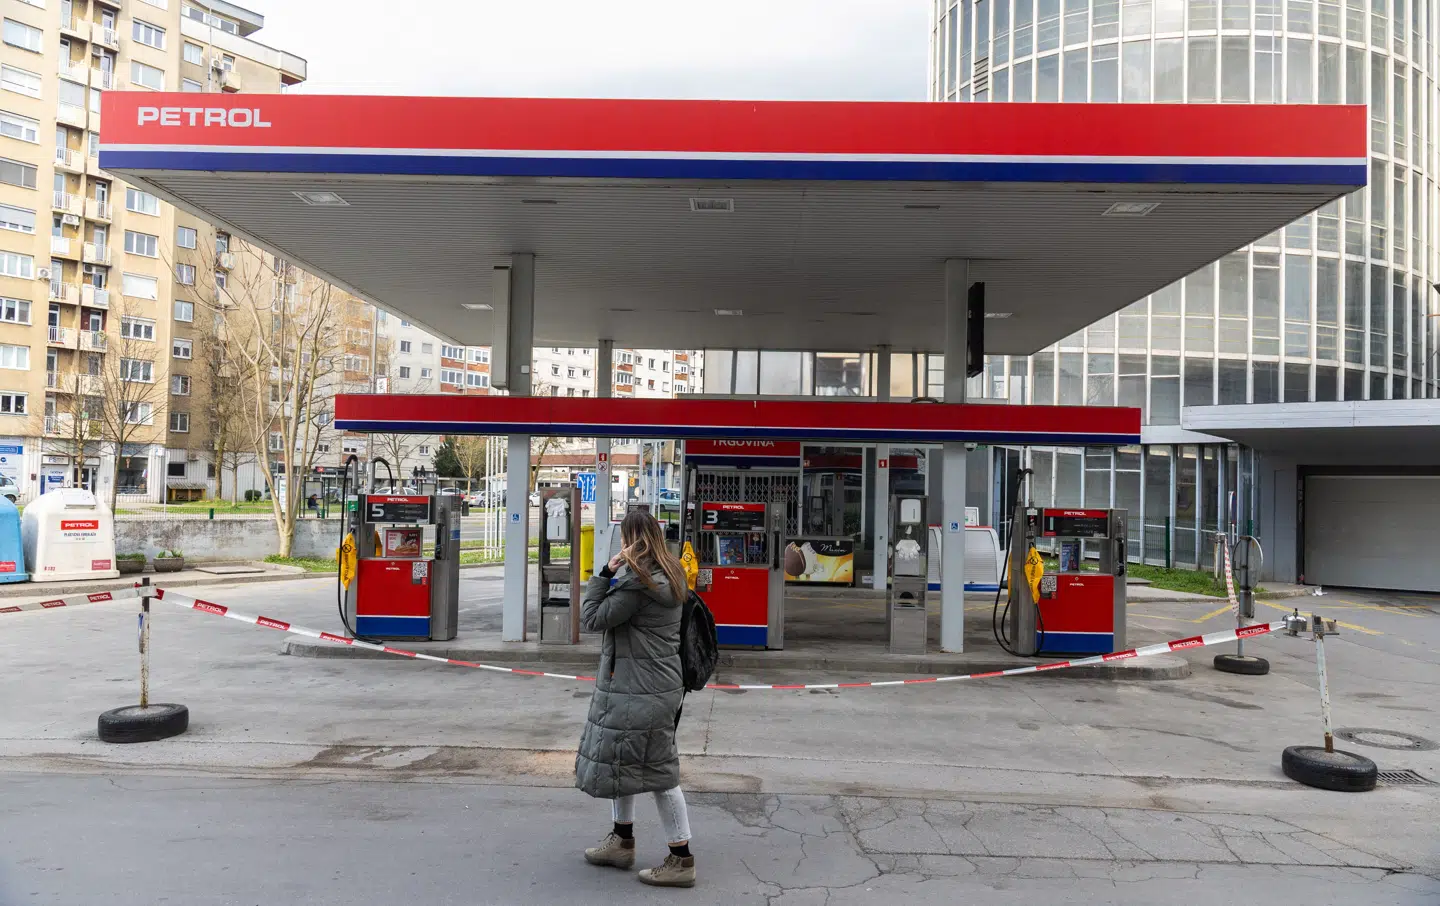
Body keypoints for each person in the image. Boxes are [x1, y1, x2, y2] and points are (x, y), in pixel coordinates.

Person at [575, 510, 696, 888]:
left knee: (660, 774)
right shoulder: (672, 574)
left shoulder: (637, 585)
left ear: (629, 540)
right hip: (658, 686)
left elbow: (592, 619)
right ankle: (621, 840)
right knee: (622, 763)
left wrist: (605, 574)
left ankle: (681, 859)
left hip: (638, 689)